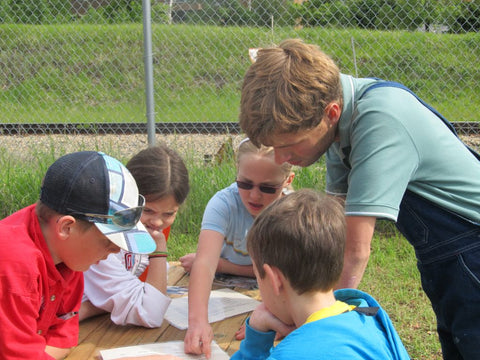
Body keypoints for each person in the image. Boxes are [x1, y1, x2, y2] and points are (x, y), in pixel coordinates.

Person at [238, 38, 480, 360]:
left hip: (471, 249)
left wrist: (316, 329)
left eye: (290, 144)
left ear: (330, 113)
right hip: (446, 256)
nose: (281, 158)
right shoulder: (342, 125)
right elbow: (328, 230)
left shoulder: (379, 119)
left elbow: (354, 249)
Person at [0, 151, 157, 360]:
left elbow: (61, 339)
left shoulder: (67, 255)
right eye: (108, 241)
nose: (117, 250)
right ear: (66, 227)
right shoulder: (14, 265)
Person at [231, 189, 410, 360]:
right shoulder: (370, 315)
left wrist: (255, 338)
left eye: (258, 276)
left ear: (274, 279)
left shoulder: (290, 355)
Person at [182, 138, 295, 357]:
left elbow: (295, 278)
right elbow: (205, 265)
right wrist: (197, 322)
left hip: (272, 289)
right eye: (244, 183)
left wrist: (278, 317)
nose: (254, 195)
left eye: (267, 187)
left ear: (288, 181)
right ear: (237, 172)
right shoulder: (223, 203)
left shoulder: (292, 212)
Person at [79, 144, 190, 328]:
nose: (157, 223)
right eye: (148, 210)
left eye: (168, 214)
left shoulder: (148, 229)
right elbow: (150, 314)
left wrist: (93, 307)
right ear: (128, 196)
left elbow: (145, 292)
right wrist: (159, 250)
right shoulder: (105, 235)